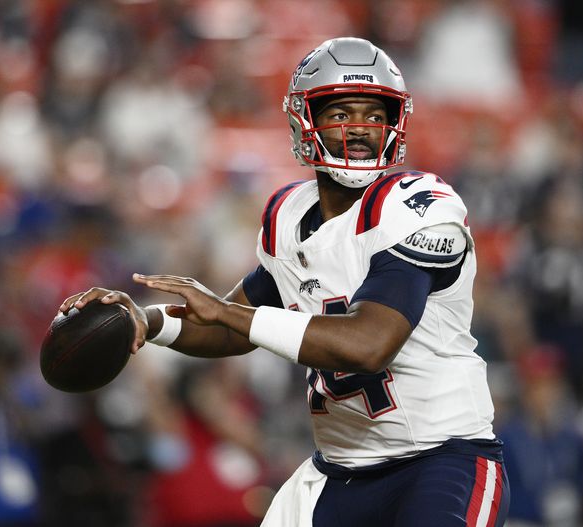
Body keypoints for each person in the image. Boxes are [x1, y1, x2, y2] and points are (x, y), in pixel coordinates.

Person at [60, 37, 509, 527]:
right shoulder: (289, 217)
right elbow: (229, 328)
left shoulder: (419, 207)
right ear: (305, 121)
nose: (359, 129)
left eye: (373, 115)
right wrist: (143, 321)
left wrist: (228, 311)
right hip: (340, 473)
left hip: (441, 461)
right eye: (341, 114)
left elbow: (369, 343)